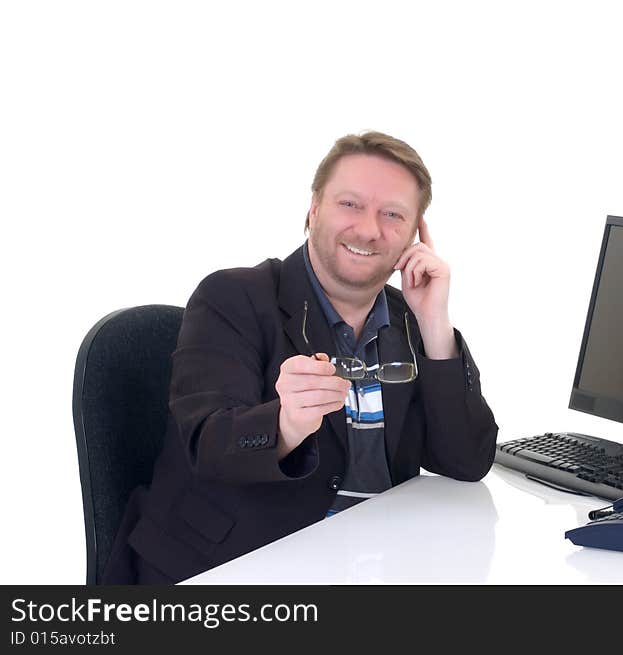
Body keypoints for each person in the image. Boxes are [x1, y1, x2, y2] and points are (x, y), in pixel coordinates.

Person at [102, 131, 498, 584]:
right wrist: (286, 425)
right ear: (313, 209)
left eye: (393, 215)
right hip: (234, 566)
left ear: (415, 235)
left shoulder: (413, 318)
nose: (369, 229)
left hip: (376, 562)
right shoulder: (231, 298)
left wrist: (435, 326)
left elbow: (466, 462)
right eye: (350, 204)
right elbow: (207, 447)